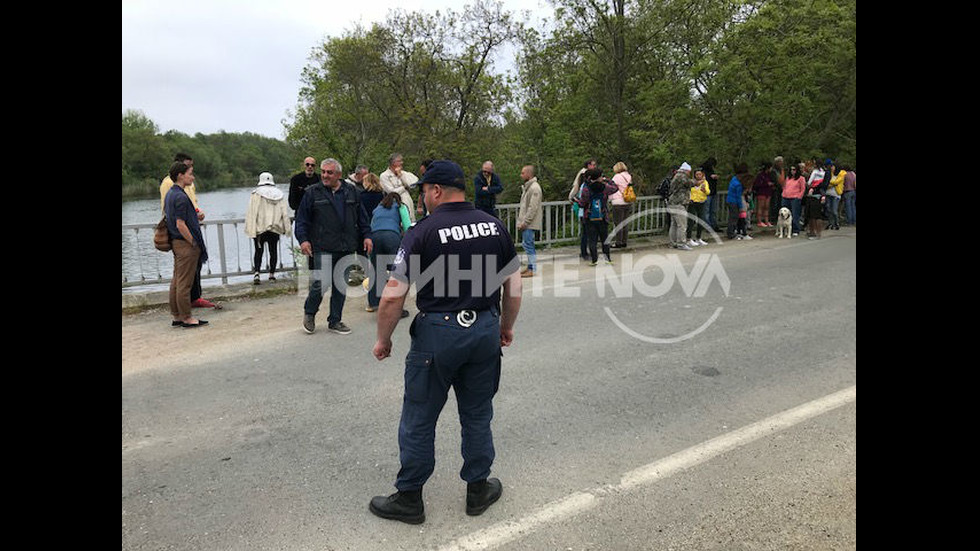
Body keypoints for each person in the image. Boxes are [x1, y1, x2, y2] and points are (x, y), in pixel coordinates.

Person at [368, 159, 522, 525]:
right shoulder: (494, 226)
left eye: (423, 192)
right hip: (484, 328)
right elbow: (514, 287)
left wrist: (383, 339)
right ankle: (478, 490)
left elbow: (392, 295)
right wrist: (506, 326)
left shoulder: (423, 231)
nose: (422, 199)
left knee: (420, 416)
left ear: (436, 191)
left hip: (438, 334)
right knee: (478, 413)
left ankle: (409, 498)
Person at [294, 158, 373, 335]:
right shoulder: (312, 193)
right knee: (322, 282)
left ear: (338, 174)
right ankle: (310, 313)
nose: (325, 175)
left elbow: (362, 218)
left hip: (346, 245)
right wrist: (303, 240)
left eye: (329, 172)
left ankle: (335, 320)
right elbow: (302, 220)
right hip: (323, 245)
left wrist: (367, 236)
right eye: (323, 172)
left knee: (340, 285)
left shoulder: (352, 192)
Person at [159, 152, 218, 309]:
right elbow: (175, 216)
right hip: (183, 237)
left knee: (185, 274)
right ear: (180, 172)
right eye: (189, 167)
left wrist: (197, 212)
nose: (192, 171)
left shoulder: (184, 187)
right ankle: (186, 313)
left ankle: (185, 307)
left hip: (186, 230)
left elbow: (191, 203)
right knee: (183, 279)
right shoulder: (170, 186)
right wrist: (193, 241)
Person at [164, 161, 209, 328]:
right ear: (180, 175)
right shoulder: (181, 196)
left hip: (176, 243)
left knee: (176, 281)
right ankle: (187, 317)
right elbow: (180, 224)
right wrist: (193, 242)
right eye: (190, 173)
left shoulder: (171, 194)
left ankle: (177, 316)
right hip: (184, 244)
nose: (193, 177)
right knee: (185, 283)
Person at [366, 192, 411, 317]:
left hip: (374, 237)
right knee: (396, 273)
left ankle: (374, 303)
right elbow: (407, 226)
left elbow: (371, 225)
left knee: (376, 271)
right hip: (391, 237)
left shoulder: (378, 208)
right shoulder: (400, 206)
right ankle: (395, 308)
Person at [245, 172, 292, 284]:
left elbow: (251, 213)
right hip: (274, 229)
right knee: (273, 251)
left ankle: (257, 273)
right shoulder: (279, 194)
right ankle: (272, 274)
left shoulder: (256, 194)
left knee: (258, 251)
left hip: (259, 229)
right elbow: (285, 213)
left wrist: (251, 229)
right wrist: (287, 229)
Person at [577, 168, 619, 264]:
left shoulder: (586, 188)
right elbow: (615, 188)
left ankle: (594, 260)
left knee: (592, 239)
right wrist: (607, 179)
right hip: (603, 215)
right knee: (605, 238)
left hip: (589, 216)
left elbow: (582, 203)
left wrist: (577, 202)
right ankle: (607, 258)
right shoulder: (605, 187)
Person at [568, 158, 598, 259]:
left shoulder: (582, 179)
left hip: (583, 208)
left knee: (586, 231)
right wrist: (572, 198)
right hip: (585, 208)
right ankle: (584, 252)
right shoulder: (584, 179)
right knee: (586, 231)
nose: (594, 166)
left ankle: (585, 251)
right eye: (593, 165)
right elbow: (576, 188)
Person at [516, 165, 542, 277]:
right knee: (527, 244)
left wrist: (525, 222)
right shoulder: (528, 187)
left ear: (528, 174)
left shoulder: (534, 188)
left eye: (523, 173)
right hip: (527, 223)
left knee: (528, 245)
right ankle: (530, 267)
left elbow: (533, 208)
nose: (521, 175)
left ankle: (532, 269)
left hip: (529, 224)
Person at [380, 153, 418, 223]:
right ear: (393, 163)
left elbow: (413, 184)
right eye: (399, 161)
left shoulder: (404, 173)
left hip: (408, 202)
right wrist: (404, 187)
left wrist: (401, 176)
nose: (402, 163)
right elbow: (391, 192)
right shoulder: (384, 175)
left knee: (411, 222)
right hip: (395, 204)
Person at [667, 162, 697, 250]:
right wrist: (696, 181)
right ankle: (681, 243)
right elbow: (689, 183)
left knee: (674, 224)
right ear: (686, 170)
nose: (689, 173)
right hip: (678, 203)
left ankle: (673, 243)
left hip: (672, 203)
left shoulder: (677, 175)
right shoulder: (682, 176)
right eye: (689, 172)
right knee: (682, 225)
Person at [804, 160, 831, 239]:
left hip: (816, 195)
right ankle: (815, 232)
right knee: (813, 215)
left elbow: (810, 183)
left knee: (814, 216)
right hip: (816, 195)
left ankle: (816, 233)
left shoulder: (819, 172)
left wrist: (813, 187)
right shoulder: (821, 173)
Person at [609, 161, 633, 248]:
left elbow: (611, 187)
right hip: (627, 201)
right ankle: (624, 241)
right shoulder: (628, 176)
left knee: (618, 223)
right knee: (625, 223)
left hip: (618, 201)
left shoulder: (617, 177)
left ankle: (618, 242)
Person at [686, 168, 710, 247]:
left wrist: (704, 190)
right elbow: (688, 191)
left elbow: (708, 192)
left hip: (701, 202)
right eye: (697, 174)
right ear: (694, 175)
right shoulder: (692, 182)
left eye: (700, 174)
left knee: (701, 220)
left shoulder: (705, 182)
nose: (699, 176)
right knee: (691, 221)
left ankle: (698, 238)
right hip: (692, 202)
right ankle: (688, 238)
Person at [781, 165, 806, 236]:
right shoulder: (788, 178)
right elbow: (784, 186)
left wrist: (799, 197)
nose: (792, 171)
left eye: (794, 169)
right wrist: (783, 193)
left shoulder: (801, 178)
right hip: (786, 197)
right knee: (785, 214)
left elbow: (803, 188)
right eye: (791, 170)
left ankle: (795, 229)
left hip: (795, 197)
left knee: (795, 214)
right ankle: (785, 229)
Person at [726, 163, 750, 240]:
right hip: (734, 202)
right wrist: (740, 206)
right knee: (734, 218)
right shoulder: (738, 184)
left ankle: (732, 232)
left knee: (732, 217)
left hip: (730, 200)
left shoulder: (733, 180)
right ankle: (731, 233)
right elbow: (738, 196)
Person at [700, 157, 721, 231]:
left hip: (713, 192)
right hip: (707, 193)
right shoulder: (703, 171)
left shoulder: (711, 171)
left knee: (713, 211)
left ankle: (714, 225)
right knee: (707, 211)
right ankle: (708, 226)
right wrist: (710, 177)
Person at [752, 162, 774, 227]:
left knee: (766, 207)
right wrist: (766, 184)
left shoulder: (769, 175)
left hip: (768, 192)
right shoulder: (760, 175)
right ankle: (759, 221)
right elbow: (757, 184)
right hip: (762, 192)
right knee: (761, 207)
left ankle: (766, 221)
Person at [825, 162, 845, 230]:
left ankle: (836, 223)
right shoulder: (830, 174)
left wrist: (830, 182)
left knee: (834, 210)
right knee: (828, 209)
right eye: (831, 167)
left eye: (833, 167)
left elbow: (836, 182)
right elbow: (826, 182)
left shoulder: (841, 174)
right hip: (828, 193)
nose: (831, 168)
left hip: (836, 195)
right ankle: (830, 223)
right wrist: (831, 184)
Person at [768, 156, 786, 225]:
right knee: (774, 204)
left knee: (779, 203)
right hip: (775, 189)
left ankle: (778, 217)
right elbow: (773, 180)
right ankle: (773, 218)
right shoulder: (773, 170)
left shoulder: (782, 170)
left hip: (781, 189)